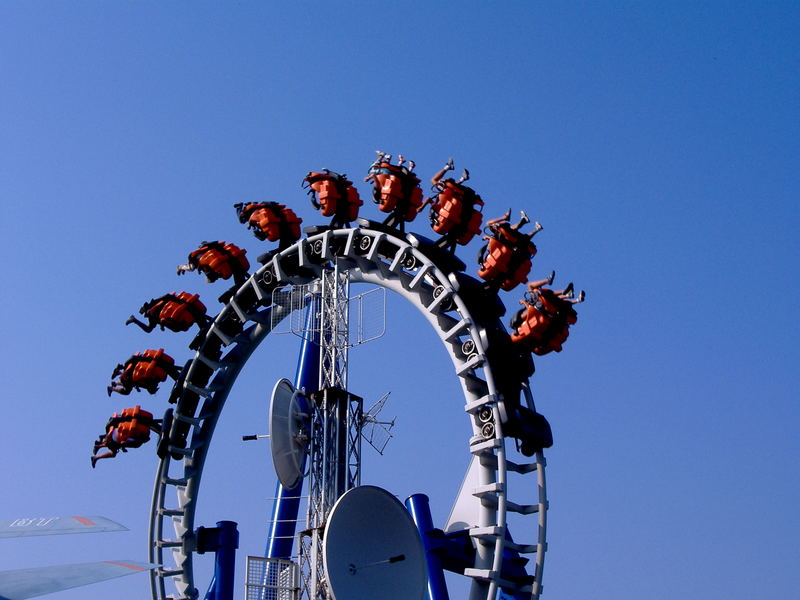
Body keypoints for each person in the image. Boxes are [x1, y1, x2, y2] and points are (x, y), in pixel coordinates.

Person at [418, 158, 484, 251]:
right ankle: (459, 176)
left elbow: (432, 189)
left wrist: (421, 207)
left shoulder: (445, 198)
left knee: (433, 180)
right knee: (439, 185)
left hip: (450, 209)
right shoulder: (452, 198)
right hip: (456, 213)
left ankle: (448, 167)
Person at [509, 276, 584, 355]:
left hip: (535, 325)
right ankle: (572, 297)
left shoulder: (542, 301)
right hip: (537, 329)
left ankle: (552, 284)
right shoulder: (555, 310)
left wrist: (524, 303)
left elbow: (531, 309)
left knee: (530, 286)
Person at [477, 208, 544, 291]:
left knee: (517, 237)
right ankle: (530, 226)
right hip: (510, 249)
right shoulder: (503, 241)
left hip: (507, 250)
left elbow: (485, 249)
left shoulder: (499, 241)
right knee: (520, 239)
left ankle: (531, 226)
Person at [364, 150, 423, 231]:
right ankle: (394, 161)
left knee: (372, 169)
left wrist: (371, 177)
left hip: (386, 174)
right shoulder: (394, 187)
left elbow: (377, 184)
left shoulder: (380, 193)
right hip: (397, 180)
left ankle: (382, 156)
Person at [91, 406, 162, 467]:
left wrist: (123, 447)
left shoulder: (139, 434)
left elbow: (123, 442)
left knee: (113, 449)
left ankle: (98, 450)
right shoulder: (137, 440)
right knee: (113, 452)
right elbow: (123, 442)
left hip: (115, 430)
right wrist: (123, 447)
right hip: (115, 434)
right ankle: (97, 452)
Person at [125, 292, 211, 333]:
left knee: (201, 322)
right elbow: (149, 329)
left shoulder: (155, 304)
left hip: (186, 314)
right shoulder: (152, 316)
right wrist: (135, 321)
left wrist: (181, 304)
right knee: (202, 323)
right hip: (184, 318)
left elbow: (168, 296)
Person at [107, 349, 180, 396]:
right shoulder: (154, 379)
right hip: (134, 366)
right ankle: (114, 384)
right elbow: (133, 382)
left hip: (134, 366)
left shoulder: (151, 381)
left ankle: (113, 385)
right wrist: (123, 374)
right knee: (127, 388)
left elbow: (133, 382)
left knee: (127, 389)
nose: (155, 386)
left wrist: (123, 374)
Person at [176, 241, 249, 286]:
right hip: (233, 263)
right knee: (237, 274)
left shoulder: (203, 256)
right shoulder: (217, 248)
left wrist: (181, 267)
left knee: (236, 274)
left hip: (230, 263)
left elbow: (191, 268)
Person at [234, 202, 303, 246]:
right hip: (285, 228)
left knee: (241, 220)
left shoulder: (255, 217)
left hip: (283, 228)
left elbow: (261, 237)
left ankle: (238, 207)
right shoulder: (267, 209)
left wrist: (258, 232)